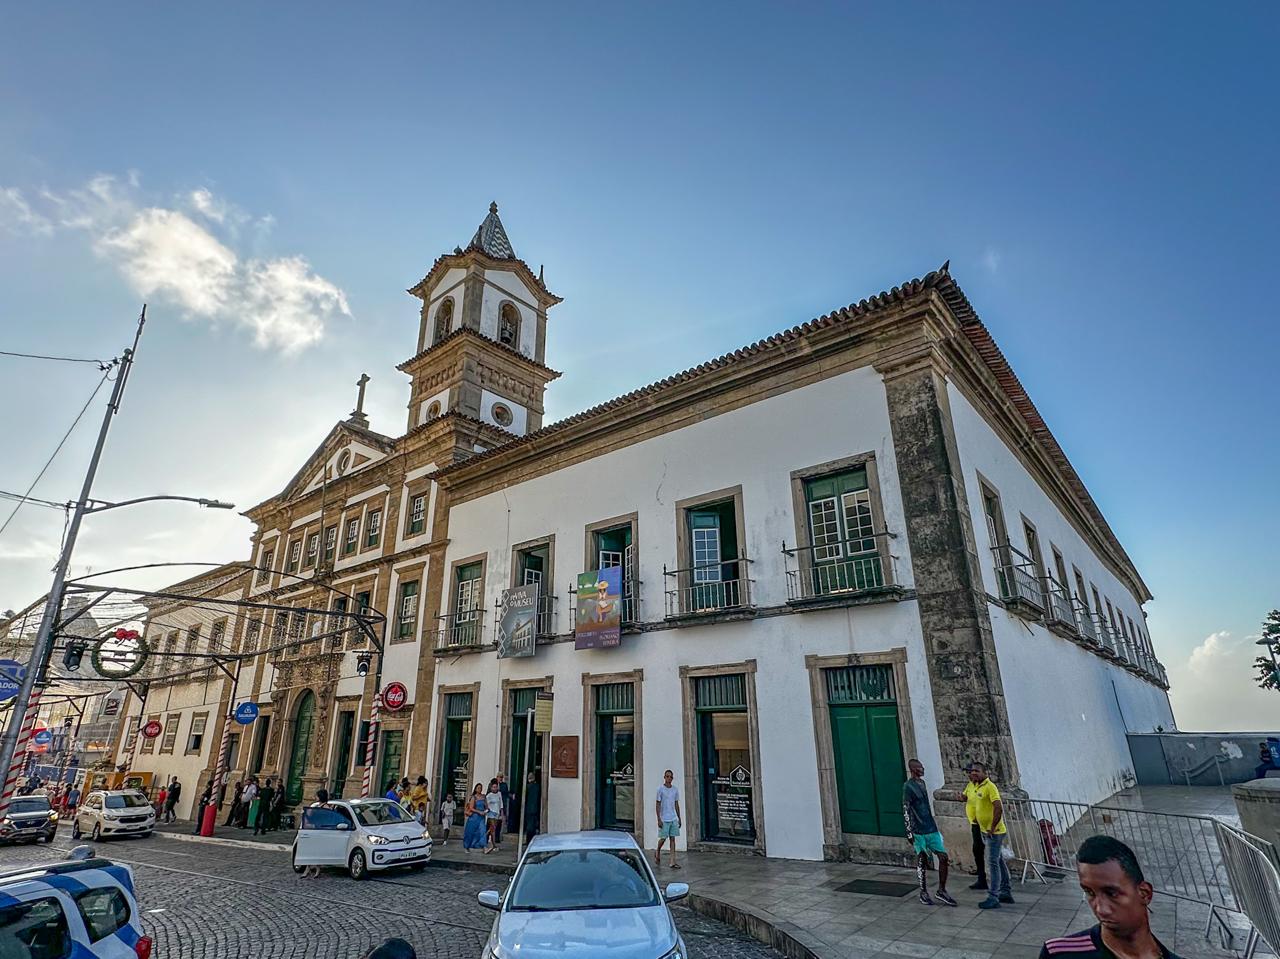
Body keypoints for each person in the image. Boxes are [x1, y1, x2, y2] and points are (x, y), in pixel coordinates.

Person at [1039, 835, 1180, 958]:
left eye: (1112, 893)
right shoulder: (1060, 954)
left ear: (1144, 894)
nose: (1101, 909)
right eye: (1089, 892)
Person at [904, 759, 956, 906]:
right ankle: (923, 891)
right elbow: (906, 808)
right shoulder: (908, 787)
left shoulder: (922, 784)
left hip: (930, 827)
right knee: (922, 859)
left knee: (943, 857)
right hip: (918, 830)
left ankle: (942, 890)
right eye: (920, 767)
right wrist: (909, 831)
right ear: (913, 769)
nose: (923, 769)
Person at [966, 762, 1012, 909]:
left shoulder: (990, 787)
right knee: (998, 860)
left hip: (994, 832)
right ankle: (1005, 891)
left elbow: (998, 807)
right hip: (985, 830)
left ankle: (994, 896)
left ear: (984, 773)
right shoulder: (974, 786)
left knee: (992, 862)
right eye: (972, 771)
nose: (974, 773)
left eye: (977, 771)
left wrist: (993, 826)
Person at [963, 763, 989, 892]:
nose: (970, 775)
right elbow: (967, 797)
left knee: (992, 855)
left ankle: (999, 883)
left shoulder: (985, 786)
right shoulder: (969, 786)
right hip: (975, 824)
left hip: (986, 825)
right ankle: (981, 877)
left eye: (972, 772)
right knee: (977, 850)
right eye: (968, 772)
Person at [655, 769, 682, 869]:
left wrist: (679, 817)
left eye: (670, 777)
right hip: (664, 818)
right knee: (663, 838)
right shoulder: (660, 790)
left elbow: (676, 804)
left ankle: (672, 861)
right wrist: (659, 818)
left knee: (673, 839)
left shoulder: (675, 789)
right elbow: (658, 804)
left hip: (673, 817)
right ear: (664, 777)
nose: (669, 778)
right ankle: (658, 850)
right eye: (667, 776)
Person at [301, 788, 330, 879]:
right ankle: (309, 868)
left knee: (316, 851)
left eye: (317, 795)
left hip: (321, 831)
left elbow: (326, 819)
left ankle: (316, 869)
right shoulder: (317, 805)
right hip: (314, 830)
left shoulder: (326, 807)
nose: (315, 797)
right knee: (311, 850)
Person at [463, 783, 488, 851]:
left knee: (482, 831)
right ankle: (467, 846)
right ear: (476, 789)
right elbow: (471, 808)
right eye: (478, 788)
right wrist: (479, 812)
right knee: (470, 832)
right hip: (474, 817)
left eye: (481, 788)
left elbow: (486, 806)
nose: (480, 789)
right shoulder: (474, 797)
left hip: (481, 818)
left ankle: (484, 846)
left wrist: (486, 811)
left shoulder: (483, 797)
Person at [484, 779, 504, 853]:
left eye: (496, 787)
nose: (495, 788)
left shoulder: (499, 794)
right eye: (493, 787)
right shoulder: (489, 796)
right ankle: (494, 845)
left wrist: (502, 813)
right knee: (493, 829)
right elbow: (486, 804)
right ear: (491, 788)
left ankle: (485, 837)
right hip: (491, 813)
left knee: (492, 829)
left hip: (497, 813)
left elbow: (501, 803)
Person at [522, 772, 541, 843]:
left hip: (528, 809)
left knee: (529, 826)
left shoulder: (527, 787)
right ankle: (532, 840)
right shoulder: (537, 787)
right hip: (536, 809)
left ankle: (529, 840)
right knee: (533, 825)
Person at [495, 772, 511, 844]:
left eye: (501, 777)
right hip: (494, 806)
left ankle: (497, 837)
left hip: (502, 805)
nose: (500, 778)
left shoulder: (504, 785)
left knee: (500, 822)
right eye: (499, 777)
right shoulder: (493, 784)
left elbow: (506, 793)